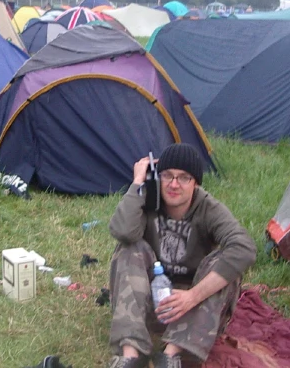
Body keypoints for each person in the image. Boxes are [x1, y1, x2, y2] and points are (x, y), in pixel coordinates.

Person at [107, 143, 257, 368]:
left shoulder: (208, 208)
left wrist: (193, 296)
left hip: (192, 308)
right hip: (151, 301)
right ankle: (130, 355)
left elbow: (244, 248)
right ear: (158, 176)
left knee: (225, 263)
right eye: (167, 176)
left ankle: (171, 356)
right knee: (129, 248)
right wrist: (137, 183)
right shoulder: (149, 199)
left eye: (184, 178)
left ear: (195, 183)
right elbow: (122, 231)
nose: (174, 184)